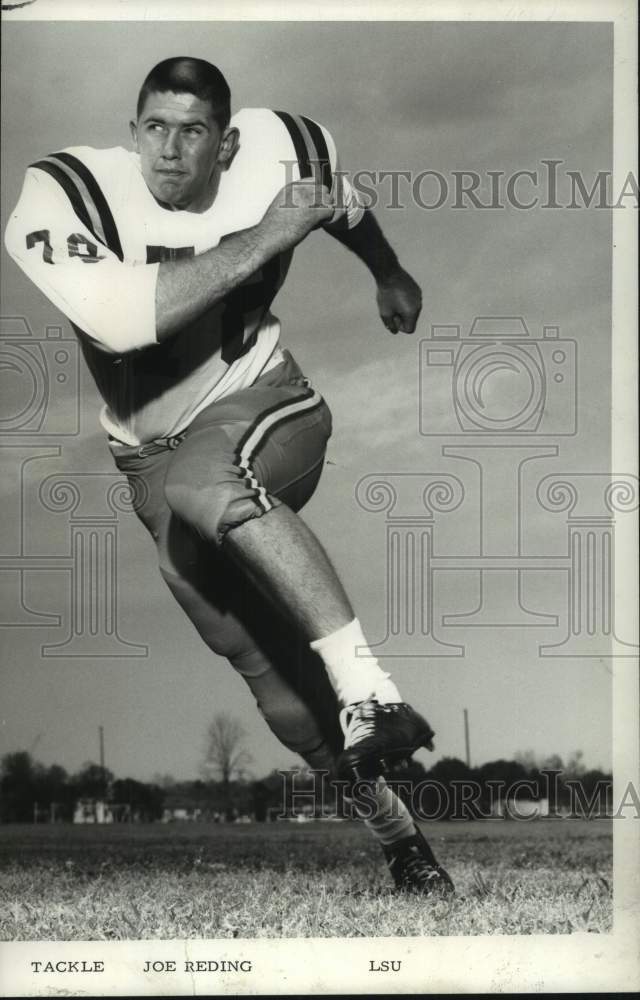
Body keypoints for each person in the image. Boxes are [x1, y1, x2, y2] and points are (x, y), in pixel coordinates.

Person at [5, 57, 453, 894]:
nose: (171, 151)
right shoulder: (68, 192)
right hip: (146, 456)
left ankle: (371, 690)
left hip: (264, 404)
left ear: (229, 140)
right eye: (154, 128)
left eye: (194, 131)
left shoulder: (284, 153)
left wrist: (387, 271)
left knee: (206, 481)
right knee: (271, 683)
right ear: (133, 128)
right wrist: (271, 234)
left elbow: (343, 208)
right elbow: (121, 322)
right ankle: (403, 841)